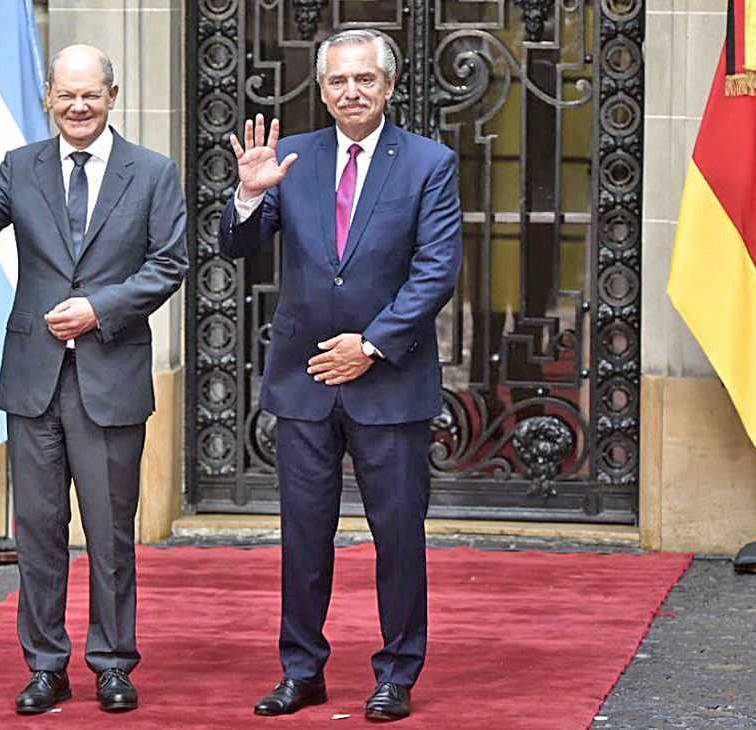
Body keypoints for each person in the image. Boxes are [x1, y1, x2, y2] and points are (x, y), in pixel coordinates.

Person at [0, 44, 188, 714]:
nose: (79, 106)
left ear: (113, 94)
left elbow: (170, 263)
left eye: (91, 95)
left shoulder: (154, 173)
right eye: (67, 95)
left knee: (110, 536)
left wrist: (101, 308)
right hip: (35, 380)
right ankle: (45, 666)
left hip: (110, 375)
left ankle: (112, 664)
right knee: (39, 534)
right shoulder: (19, 168)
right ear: (49, 95)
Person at [218, 29, 462, 722]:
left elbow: (436, 270)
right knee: (303, 537)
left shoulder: (428, 163)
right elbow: (236, 246)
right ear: (321, 90)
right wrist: (245, 194)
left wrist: (374, 344)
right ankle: (302, 669)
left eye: (364, 80)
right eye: (337, 81)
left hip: (390, 380)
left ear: (388, 87)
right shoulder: (289, 157)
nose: (350, 91)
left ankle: (397, 672)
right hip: (306, 383)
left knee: (397, 538)